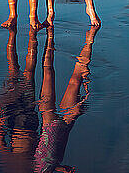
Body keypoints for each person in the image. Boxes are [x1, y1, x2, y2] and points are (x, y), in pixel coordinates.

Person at [33, 26, 98, 173]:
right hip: (60, 126)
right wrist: (60, 168)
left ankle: (52, 35)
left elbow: (43, 162)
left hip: (51, 127)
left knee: (52, 74)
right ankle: (88, 40)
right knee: (70, 78)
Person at [0, 26, 39, 172]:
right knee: (25, 74)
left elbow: (0, 140)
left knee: (15, 71)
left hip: (16, 122)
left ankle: (14, 36)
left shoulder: (9, 163)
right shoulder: (31, 167)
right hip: (29, 124)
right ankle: (32, 38)